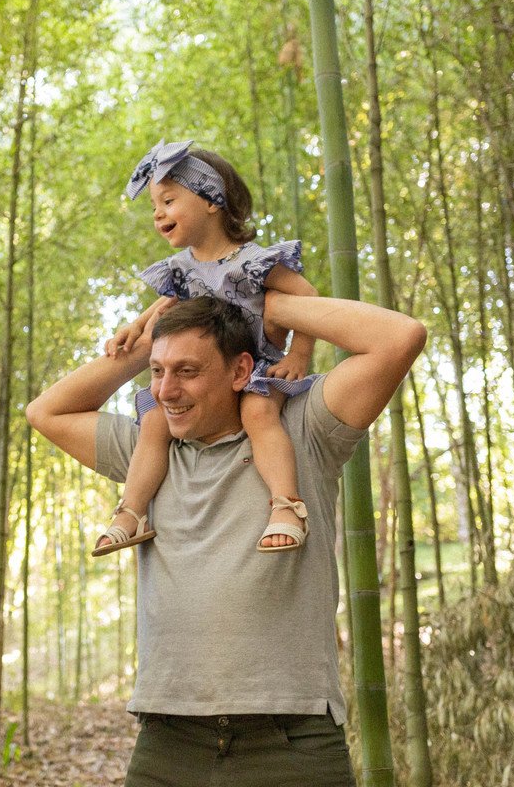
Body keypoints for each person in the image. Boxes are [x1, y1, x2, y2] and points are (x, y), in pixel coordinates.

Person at [26, 293, 425, 786]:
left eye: (187, 371)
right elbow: (46, 412)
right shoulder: (147, 452)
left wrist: (275, 307)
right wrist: (147, 339)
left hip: (291, 739)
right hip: (167, 739)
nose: (166, 391)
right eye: (157, 372)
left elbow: (400, 337)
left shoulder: (302, 428)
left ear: (240, 370)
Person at [94, 139, 319, 557]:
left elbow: (307, 297)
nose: (158, 213)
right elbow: (165, 304)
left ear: (212, 200)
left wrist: (298, 355)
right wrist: (136, 327)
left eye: (168, 200)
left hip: (252, 372)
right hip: (200, 380)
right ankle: (132, 511)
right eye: (154, 206)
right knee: (155, 424)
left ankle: (288, 505)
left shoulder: (252, 262)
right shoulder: (181, 269)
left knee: (259, 413)